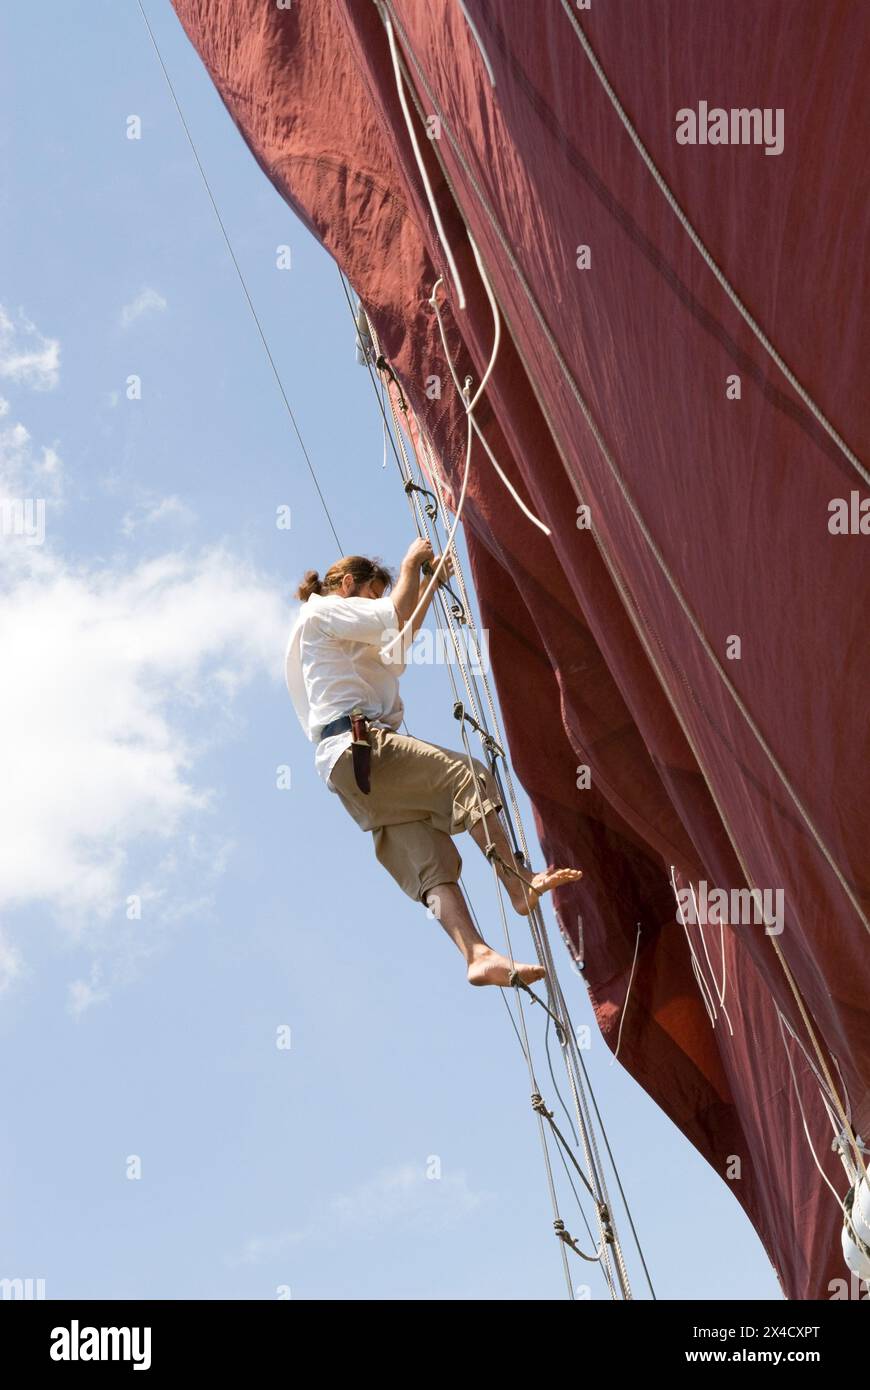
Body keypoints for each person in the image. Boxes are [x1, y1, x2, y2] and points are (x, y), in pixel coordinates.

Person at [284, 538, 582, 987]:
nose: (379, 604)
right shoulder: (322, 612)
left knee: (430, 862)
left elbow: (398, 644)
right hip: (359, 745)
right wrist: (410, 566)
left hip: (346, 770)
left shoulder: (338, 635)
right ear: (347, 585)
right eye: (372, 594)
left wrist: (424, 586)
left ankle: (477, 954)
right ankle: (517, 883)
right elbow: (392, 616)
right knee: (468, 777)